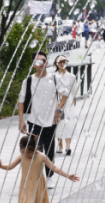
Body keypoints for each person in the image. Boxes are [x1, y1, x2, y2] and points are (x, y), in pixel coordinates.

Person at [0, 135, 79, 203]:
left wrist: (67, 175)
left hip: (38, 187)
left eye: (29, 153)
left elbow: (54, 167)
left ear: (36, 148)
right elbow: (10, 166)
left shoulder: (41, 157)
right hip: (26, 187)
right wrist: (0, 165)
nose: (26, 155)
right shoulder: (21, 156)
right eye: (24, 152)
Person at [18, 51, 69, 189]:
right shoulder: (28, 80)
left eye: (44, 60)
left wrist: (58, 110)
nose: (42, 63)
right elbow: (21, 101)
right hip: (34, 120)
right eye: (38, 61)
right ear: (34, 64)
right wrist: (21, 120)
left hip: (50, 121)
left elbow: (65, 94)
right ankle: (35, 176)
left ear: (47, 63)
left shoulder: (54, 78)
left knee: (49, 148)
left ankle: (49, 177)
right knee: (35, 148)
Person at [53, 55, 78, 156]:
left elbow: (74, 90)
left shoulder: (71, 76)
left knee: (68, 123)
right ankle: (60, 145)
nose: (62, 64)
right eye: (60, 62)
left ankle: (68, 146)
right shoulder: (53, 76)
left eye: (64, 62)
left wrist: (74, 102)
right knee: (58, 123)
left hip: (68, 102)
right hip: (57, 101)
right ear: (56, 63)